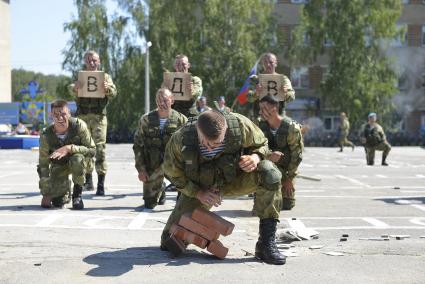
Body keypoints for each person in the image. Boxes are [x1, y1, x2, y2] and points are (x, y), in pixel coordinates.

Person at [160, 110, 286, 265]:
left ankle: (266, 244)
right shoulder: (181, 138)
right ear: (198, 131)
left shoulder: (239, 125)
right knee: (168, 242)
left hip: (235, 180)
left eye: (218, 144)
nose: (211, 149)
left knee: (270, 173)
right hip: (201, 188)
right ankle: (183, 229)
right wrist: (198, 193)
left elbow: (262, 144)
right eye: (205, 143)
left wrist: (255, 157)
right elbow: (172, 173)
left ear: (226, 130)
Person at [70, 50, 117, 195]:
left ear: (99, 61)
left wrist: (108, 89)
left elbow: (114, 93)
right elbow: (70, 89)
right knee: (85, 149)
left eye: (94, 60)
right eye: (89, 60)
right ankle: (88, 181)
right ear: (85, 61)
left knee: (100, 149)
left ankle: (101, 183)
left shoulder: (105, 77)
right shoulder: (81, 76)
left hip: (99, 118)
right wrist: (74, 88)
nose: (92, 63)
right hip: (83, 117)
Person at [133, 88, 188, 209]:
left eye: (165, 100)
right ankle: (160, 188)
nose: (161, 103)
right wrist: (141, 170)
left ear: (172, 100)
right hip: (153, 166)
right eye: (158, 100)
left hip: (175, 166)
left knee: (182, 203)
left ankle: (180, 191)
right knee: (149, 204)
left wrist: (189, 170)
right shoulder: (146, 120)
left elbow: (189, 147)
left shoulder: (182, 120)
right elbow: (138, 146)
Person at [37, 100, 95, 209]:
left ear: (69, 113)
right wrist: (46, 193)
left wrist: (70, 148)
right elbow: (43, 164)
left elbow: (92, 150)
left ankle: (77, 195)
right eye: (56, 115)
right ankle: (64, 192)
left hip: (79, 163)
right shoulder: (46, 135)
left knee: (77, 159)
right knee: (57, 203)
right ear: (51, 116)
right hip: (59, 166)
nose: (60, 118)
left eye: (63, 114)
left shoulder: (79, 126)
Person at [258, 95, 303, 211]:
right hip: (267, 170)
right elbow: (255, 150)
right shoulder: (260, 126)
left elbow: (296, 156)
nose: (260, 111)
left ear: (274, 108)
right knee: (264, 204)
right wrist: (268, 155)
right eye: (260, 108)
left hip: (286, 172)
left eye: (264, 108)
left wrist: (289, 179)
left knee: (286, 205)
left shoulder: (291, 128)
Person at [246, 53, 295, 123]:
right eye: (265, 62)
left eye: (271, 62)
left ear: (276, 63)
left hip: (278, 119)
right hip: (259, 119)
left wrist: (286, 93)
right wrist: (256, 93)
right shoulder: (255, 79)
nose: (268, 65)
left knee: (295, 128)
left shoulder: (283, 79)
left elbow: (292, 97)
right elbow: (248, 98)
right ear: (263, 64)